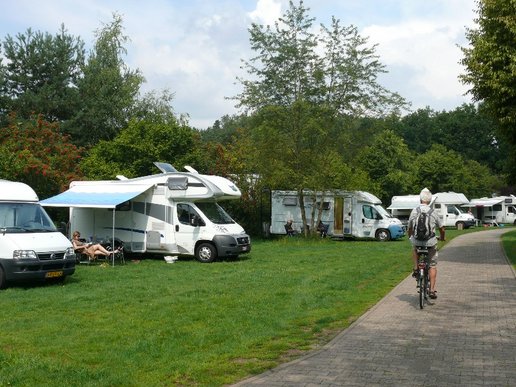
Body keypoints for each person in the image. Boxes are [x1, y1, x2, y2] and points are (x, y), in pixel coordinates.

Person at [407, 188, 445, 300]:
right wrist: (442, 237)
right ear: (430, 200)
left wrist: (410, 236)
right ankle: (432, 290)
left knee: (414, 248)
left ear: (420, 199)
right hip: (430, 242)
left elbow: (409, 227)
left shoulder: (414, 211)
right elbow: (442, 228)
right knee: (432, 265)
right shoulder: (433, 212)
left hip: (417, 240)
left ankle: (415, 268)